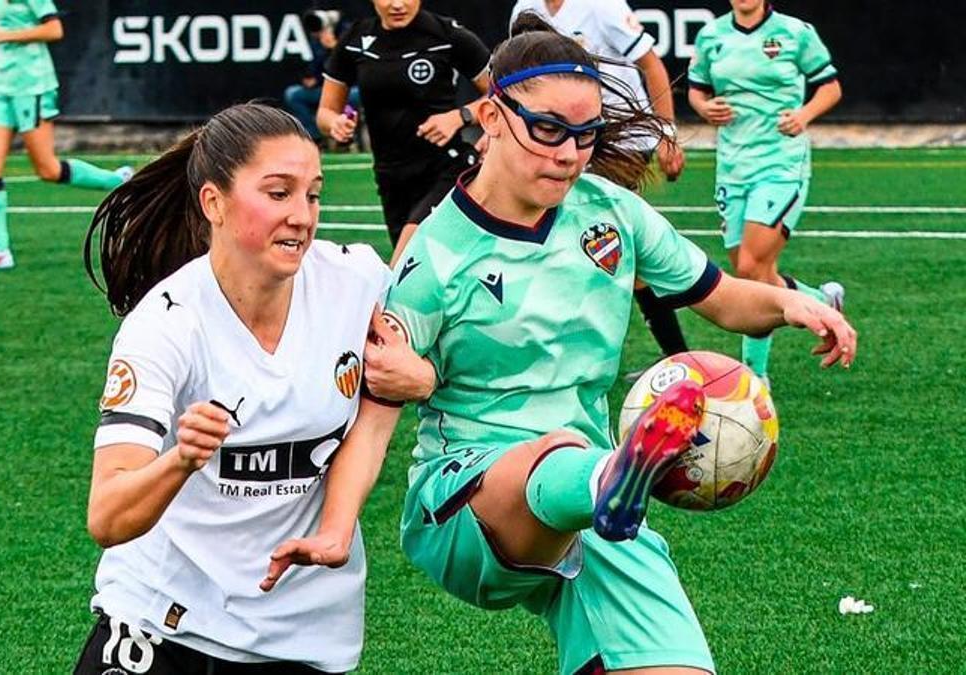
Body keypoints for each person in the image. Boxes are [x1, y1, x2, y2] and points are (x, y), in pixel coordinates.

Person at [264, 16, 857, 674]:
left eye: (586, 134)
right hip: (466, 505)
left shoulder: (611, 212)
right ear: (490, 115)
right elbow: (374, 423)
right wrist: (338, 529)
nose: (570, 153)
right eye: (548, 130)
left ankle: (607, 482)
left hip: (595, 513)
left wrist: (789, 302)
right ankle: (612, 474)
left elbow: (720, 296)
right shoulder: (434, 257)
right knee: (569, 454)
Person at [73, 103, 428, 674]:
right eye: (278, 193)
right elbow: (108, 517)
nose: (302, 216)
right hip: (163, 621)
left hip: (302, 635)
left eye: (313, 194)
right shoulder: (165, 323)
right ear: (213, 202)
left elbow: (400, 390)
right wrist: (182, 459)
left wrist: (421, 378)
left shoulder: (356, 282)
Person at [508, 0, 693, 366]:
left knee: (598, 240)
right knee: (607, 248)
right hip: (566, 140)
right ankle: (677, 356)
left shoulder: (601, 6)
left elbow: (651, 64)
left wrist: (666, 134)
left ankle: (669, 355)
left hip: (621, 141)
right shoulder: (524, 9)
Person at [688, 0, 845, 383]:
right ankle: (822, 302)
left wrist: (804, 115)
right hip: (732, 167)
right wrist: (705, 108)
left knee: (749, 269)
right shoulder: (711, 36)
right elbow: (696, 92)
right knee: (755, 273)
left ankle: (755, 376)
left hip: (780, 164)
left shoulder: (795, 32)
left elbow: (831, 87)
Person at [0, 0, 131, 270]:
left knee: (47, 169)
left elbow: (53, 30)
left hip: (32, 86)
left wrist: (4, 35)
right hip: (0, 89)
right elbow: (1, 34)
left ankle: (118, 181)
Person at [318, 0, 491, 264]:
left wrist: (460, 117)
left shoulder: (447, 35)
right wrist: (335, 124)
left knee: (401, 265)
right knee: (426, 275)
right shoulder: (356, 39)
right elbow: (325, 113)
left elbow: (504, 95)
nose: (397, 4)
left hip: (445, 168)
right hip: (391, 176)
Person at [284, 11, 361, 146]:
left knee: (356, 94)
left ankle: (346, 136)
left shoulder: (348, 32)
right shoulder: (317, 40)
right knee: (293, 94)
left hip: (347, 89)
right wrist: (311, 79)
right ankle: (315, 136)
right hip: (322, 89)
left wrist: (334, 48)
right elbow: (316, 69)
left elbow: (355, 68)